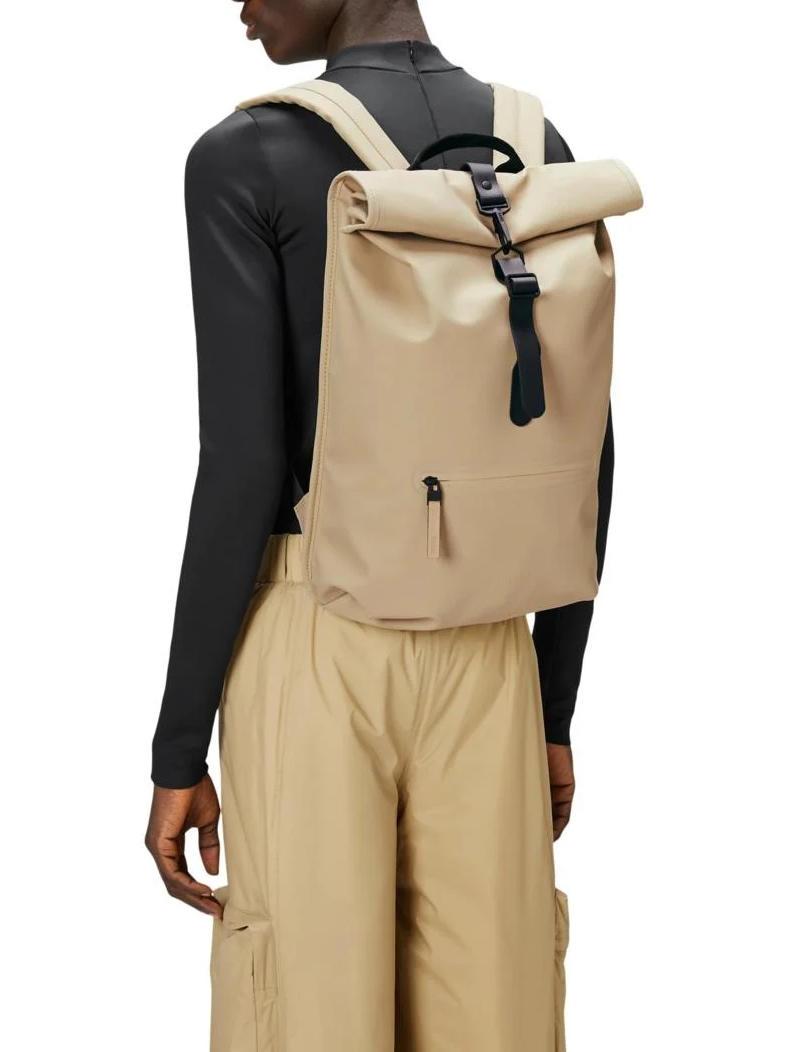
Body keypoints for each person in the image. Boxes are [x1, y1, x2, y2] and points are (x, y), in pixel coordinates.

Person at [145, 1, 614, 1048]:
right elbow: (583, 451)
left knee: (310, 1011)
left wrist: (178, 749)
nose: (239, 6)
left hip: (311, 630)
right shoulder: (534, 148)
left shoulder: (244, 155)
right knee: (495, 1011)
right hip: (489, 646)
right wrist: (551, 708)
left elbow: (244, 466)